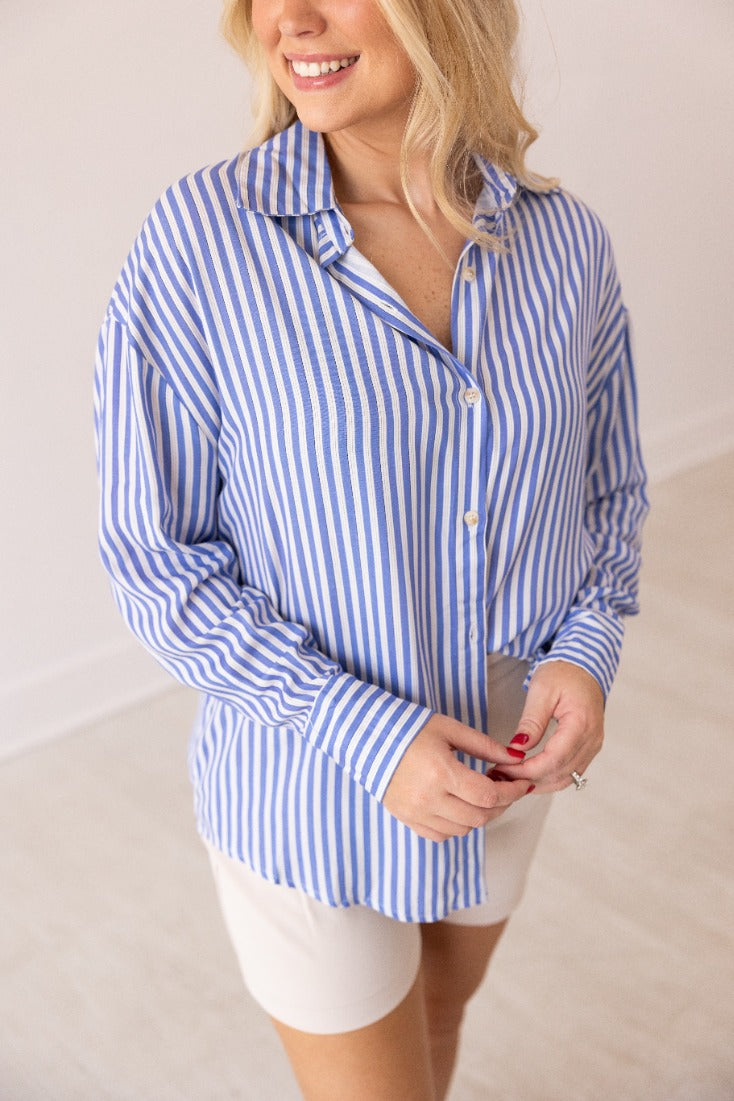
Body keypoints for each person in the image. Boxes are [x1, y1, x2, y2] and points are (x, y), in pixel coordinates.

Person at [94, 1, 648, 1097]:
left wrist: (586, 653)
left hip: (508, 767)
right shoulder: (202, 241)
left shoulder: (565, 243)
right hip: (308, 791)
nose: (289, 19)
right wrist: (371, 737)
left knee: (437, 1018)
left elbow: (606, 492)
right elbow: (158, 561)